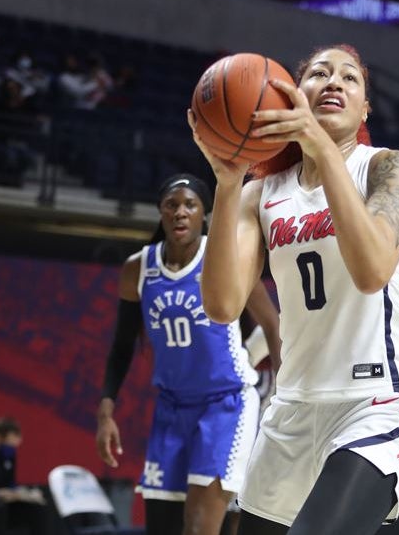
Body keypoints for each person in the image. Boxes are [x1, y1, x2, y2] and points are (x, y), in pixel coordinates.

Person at [190, 44, 399, 535]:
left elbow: (371, 271)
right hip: (292, 409)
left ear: (364, 110)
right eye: (319, 74)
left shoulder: (388, 168)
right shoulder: (261, 193)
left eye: (349, 78)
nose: (334, 82)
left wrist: (321, 147)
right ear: (293, 96)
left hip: (377, 402)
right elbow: (221, 306)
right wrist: (227, 183)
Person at [95, 173, 281, 535]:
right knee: (161, 526)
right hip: (171, 407)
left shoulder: (223, 256)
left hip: (225, 404)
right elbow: (121, 346)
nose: (180, 212)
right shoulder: (138, 268)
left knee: (200, 528)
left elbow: (273, 325)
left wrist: (283, 393)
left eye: (190, 205)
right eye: (172, 205)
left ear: (203, 213)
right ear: (161, 212)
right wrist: (105, 412)